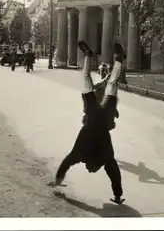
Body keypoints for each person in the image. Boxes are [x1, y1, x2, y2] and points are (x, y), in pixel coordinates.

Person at [51, 40, 126, 205]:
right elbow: (67, 162)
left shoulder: (103, 157)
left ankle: (116, 59)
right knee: (88, 78)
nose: (89, 170)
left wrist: (119, 195)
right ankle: (91, 55)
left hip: (101, 116)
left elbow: (114, 175)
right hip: (94, 115)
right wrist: (58, 179)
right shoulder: (84, 155)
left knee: (111, 83)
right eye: (91, 169)